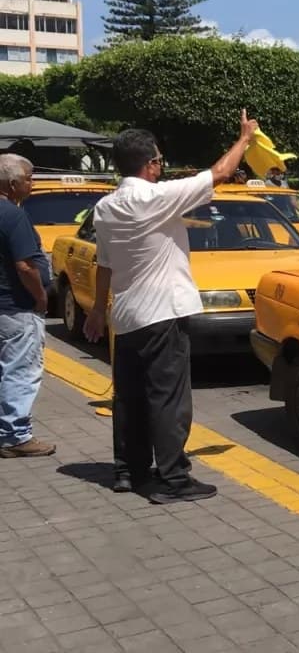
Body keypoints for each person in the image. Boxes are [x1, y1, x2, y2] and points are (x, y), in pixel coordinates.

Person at [83, 110, 259, 502]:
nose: (162, 167)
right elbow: (219, 173)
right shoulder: (155, 197)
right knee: (168, 397)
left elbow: (105, 263)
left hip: (126, 317)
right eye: (160, 160)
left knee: (129, 398)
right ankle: (173, 479)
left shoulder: (105, 208)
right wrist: (245, 138)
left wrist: (97, 309)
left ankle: (128, 471)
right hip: (163, 313)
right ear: (149, 165)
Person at [0, 153, 53, 458]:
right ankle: (15, 435)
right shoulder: (12, 215)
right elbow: (25, 265)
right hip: (17, 308)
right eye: (30, 178)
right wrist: (41, 297)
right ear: (13, 183)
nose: (32, 183)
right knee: (21, 371)